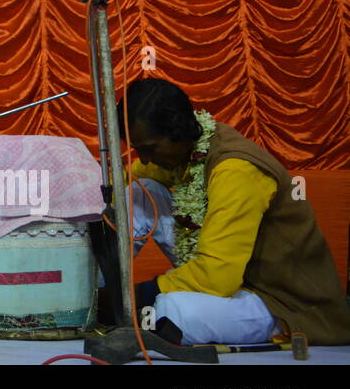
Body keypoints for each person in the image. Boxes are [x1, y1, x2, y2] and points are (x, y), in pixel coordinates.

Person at [121, 77, 350, 346]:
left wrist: (140, 294)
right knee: (139, 191)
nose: (144, 158)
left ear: (178, 132)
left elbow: (217, 277)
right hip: (230, 282)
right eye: (138, 150)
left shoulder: (235, 170)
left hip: (277, 300)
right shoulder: (183, 153)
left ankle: (121, 303)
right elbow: (132, 176)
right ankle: (94, 298)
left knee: (172, 311)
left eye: (149, 148)